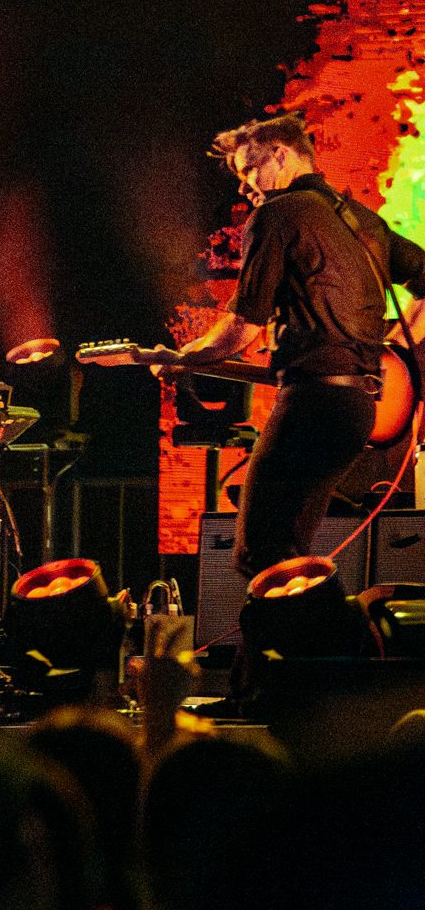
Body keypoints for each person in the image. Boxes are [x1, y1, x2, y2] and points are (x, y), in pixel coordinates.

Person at [147, 112, 425, 577]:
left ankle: (331, 620)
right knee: (288, 553)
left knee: (259, 554)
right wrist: (393, 348)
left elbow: (243, 327)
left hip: (312, 405)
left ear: (281, 155)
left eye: (249, 169)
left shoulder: (276, 215)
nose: (244, 187)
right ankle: (325, 620)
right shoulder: (361, 219)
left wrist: (183, 357)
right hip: (358, 410)